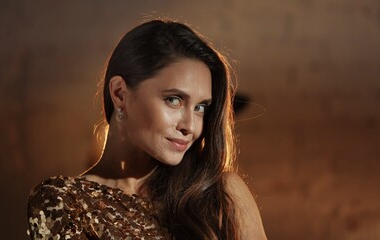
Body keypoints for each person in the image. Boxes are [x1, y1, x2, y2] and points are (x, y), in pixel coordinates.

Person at [27, 19, 267, 240]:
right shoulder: (65, 201)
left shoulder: (220, 193)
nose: (190, 126)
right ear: (120, 93)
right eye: (174, 100)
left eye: (201, 107)